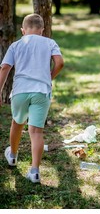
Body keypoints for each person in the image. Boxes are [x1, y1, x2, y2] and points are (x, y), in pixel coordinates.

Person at [0, 13, 64, 183]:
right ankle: (35, 171)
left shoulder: (16, 45)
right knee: (36, 131)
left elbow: (5, 67)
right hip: (41, 92)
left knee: (17, 122)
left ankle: (12, 156)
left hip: (20, 91)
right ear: (42, 31)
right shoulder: (50, 42)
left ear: (23, 30)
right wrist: (49, 77)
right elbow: (60, 63)